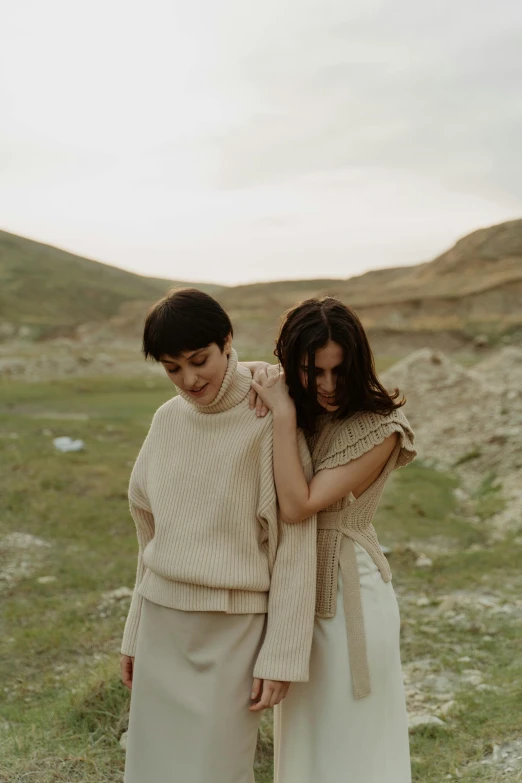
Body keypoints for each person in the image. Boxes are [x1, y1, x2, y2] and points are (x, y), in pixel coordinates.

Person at [120, 288, 316, 783]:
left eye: (198, 360)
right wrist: (134, 633)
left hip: (234, 630)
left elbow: (294, 546)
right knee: (153, 768)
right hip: (163, 621)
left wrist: (282, 654)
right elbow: (150, 535)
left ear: (227, 341)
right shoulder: (166, 419)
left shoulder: (270, 418)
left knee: (217, 770)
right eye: (172, 368)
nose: (188, 379)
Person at [248, 296, 416, 783]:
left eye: (337, 372)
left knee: (353, 745)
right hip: (295, 596)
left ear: (357, 363)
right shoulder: (304, 409)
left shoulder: (381, 429)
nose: (325, 386)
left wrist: (281, 416)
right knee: (308, 746)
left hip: (349, 603)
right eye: (311, 371)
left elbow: (298, 505)